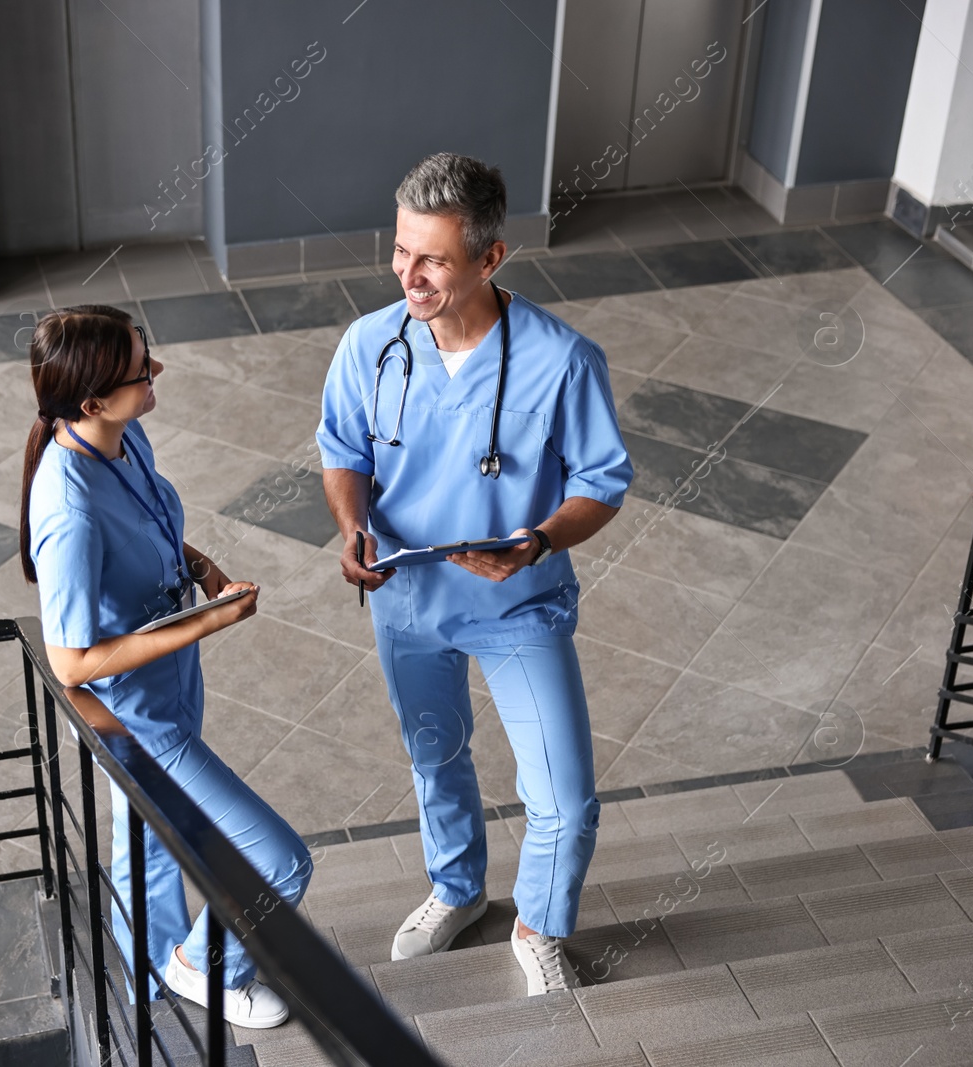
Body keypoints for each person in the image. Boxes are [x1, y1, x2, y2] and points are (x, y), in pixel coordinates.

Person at [316, 153, 633, 995]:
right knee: (436, 757)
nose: (408, 277)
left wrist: (535, 542)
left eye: (433, 260)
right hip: (407, 601)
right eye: (400, 252)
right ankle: (456, 890)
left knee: (564, 794)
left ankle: (538, 924)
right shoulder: (368, 345)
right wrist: (352, 527)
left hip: (517, 603)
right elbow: (342, 451)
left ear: (491, 259)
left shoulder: (563, 360)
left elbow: (601, 484)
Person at [20, 304, 311, 1028]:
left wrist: (200, 565)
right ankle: (201, 967)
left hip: (174, 682)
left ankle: (150, 980)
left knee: (149, 841)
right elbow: (70, 663)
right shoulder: (68, 510)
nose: (157, 374)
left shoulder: (123, 435)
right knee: (281, 862)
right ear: (91, 401)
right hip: (141, 720)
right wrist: (210, 620)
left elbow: (151, 522)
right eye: (141, 370)